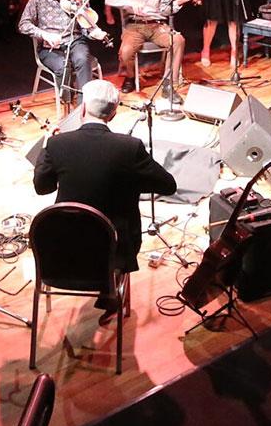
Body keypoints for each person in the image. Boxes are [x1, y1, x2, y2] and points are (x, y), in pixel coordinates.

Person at [33, 78, 178, 324]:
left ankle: (106, 292)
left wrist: (46, 149)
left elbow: (42, 187)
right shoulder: (129, 148)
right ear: (112, 114)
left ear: (81, 109)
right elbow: (168, 185)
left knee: (90, 229)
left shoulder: (57, 144)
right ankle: (111, 292)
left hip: (61, 249)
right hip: (115, 249)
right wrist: (130, 180)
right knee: (111, 225)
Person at [18, 0, 108, 109]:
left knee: (82, 59)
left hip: (75, 41)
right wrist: (45, 35)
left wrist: (93, 33)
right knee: (62, 67)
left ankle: (83, 106)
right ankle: (66, 102)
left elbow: (85, 26)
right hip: (50, 48)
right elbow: (23, 24)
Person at [105, 0, 193, 95]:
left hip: (157, 24)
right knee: (126, 52)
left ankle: (169, 83)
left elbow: (166, 11)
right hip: (134, 25)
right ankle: (130, 77)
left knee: (178, 40)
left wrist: (178, 3)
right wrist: (130, 2)